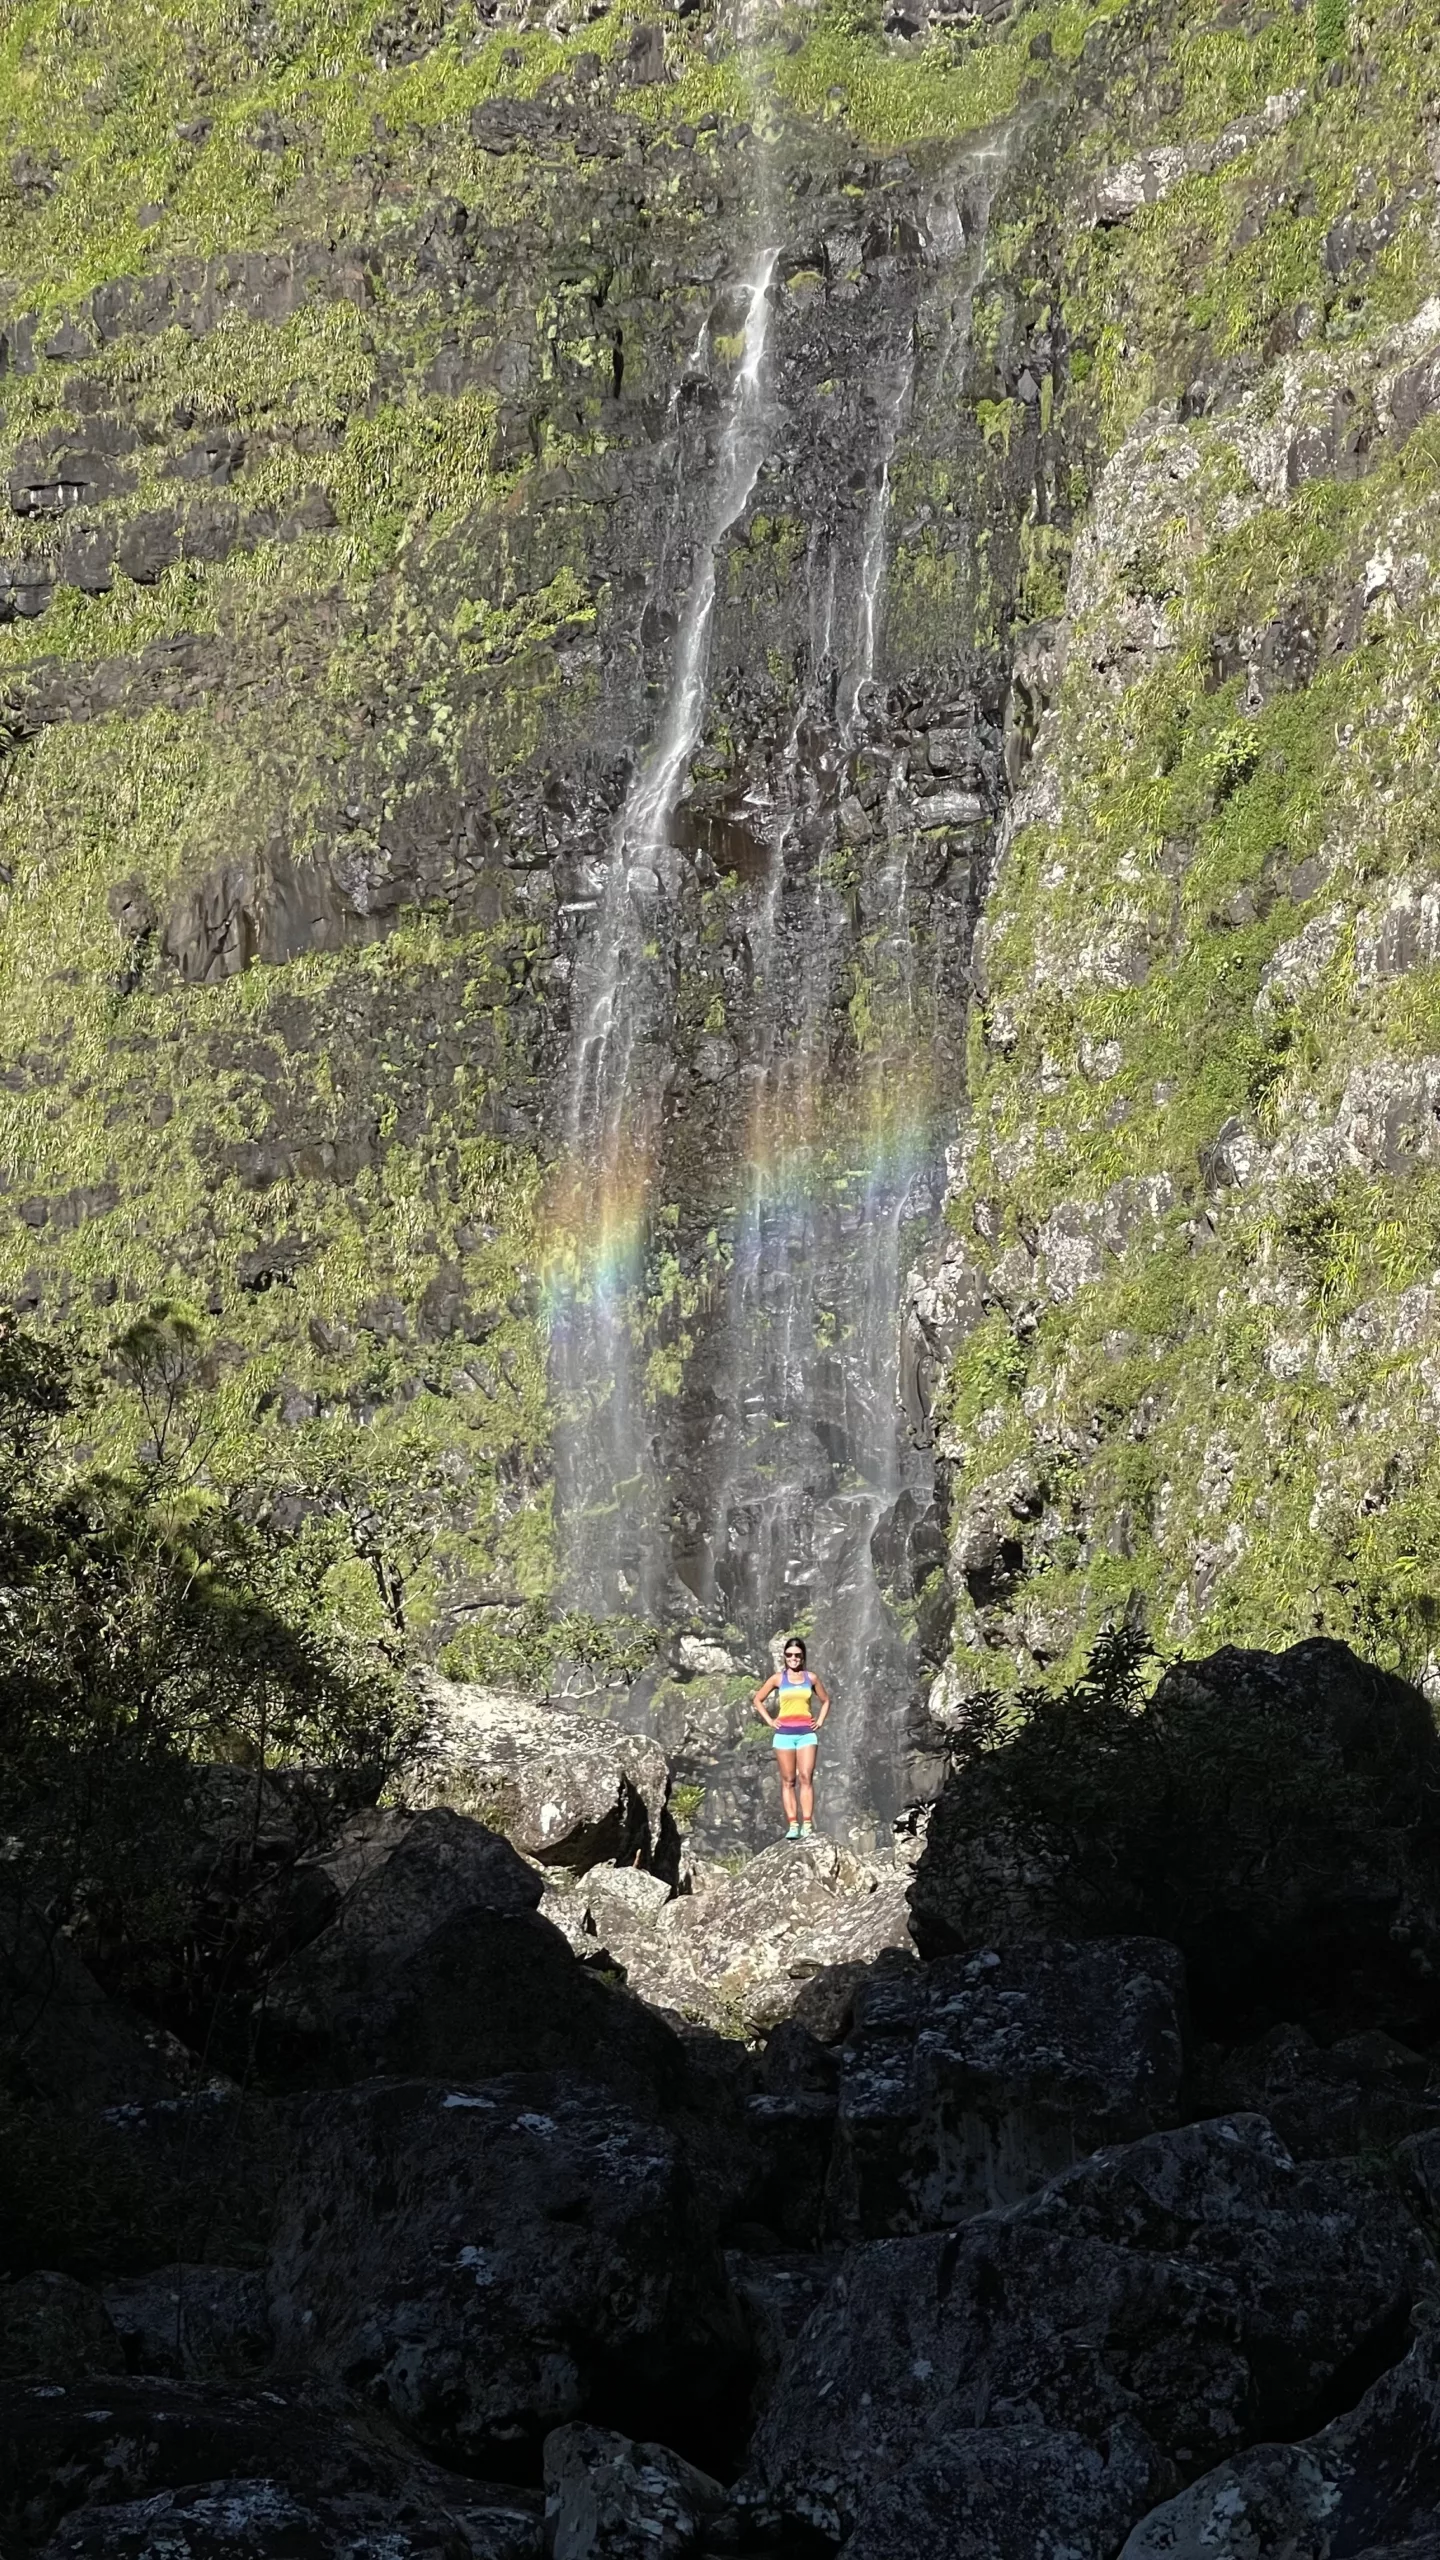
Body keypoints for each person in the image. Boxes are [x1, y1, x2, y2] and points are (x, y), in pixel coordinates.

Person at [753, 1636, 831, 1841]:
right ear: (784, 1657)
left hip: (806, 1733)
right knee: (788, 1780)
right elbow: (758, 1699)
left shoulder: (811, 1678)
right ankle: (793, 1825)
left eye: (797, 1655)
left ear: (803, 1656)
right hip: (784, 1735)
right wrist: (770, 1721)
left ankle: (807, 1824)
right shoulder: (778, 1679)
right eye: (789, 1655)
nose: (793, 1658)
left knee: (806, 1777)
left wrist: (820, 1721)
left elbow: (825, 1700)